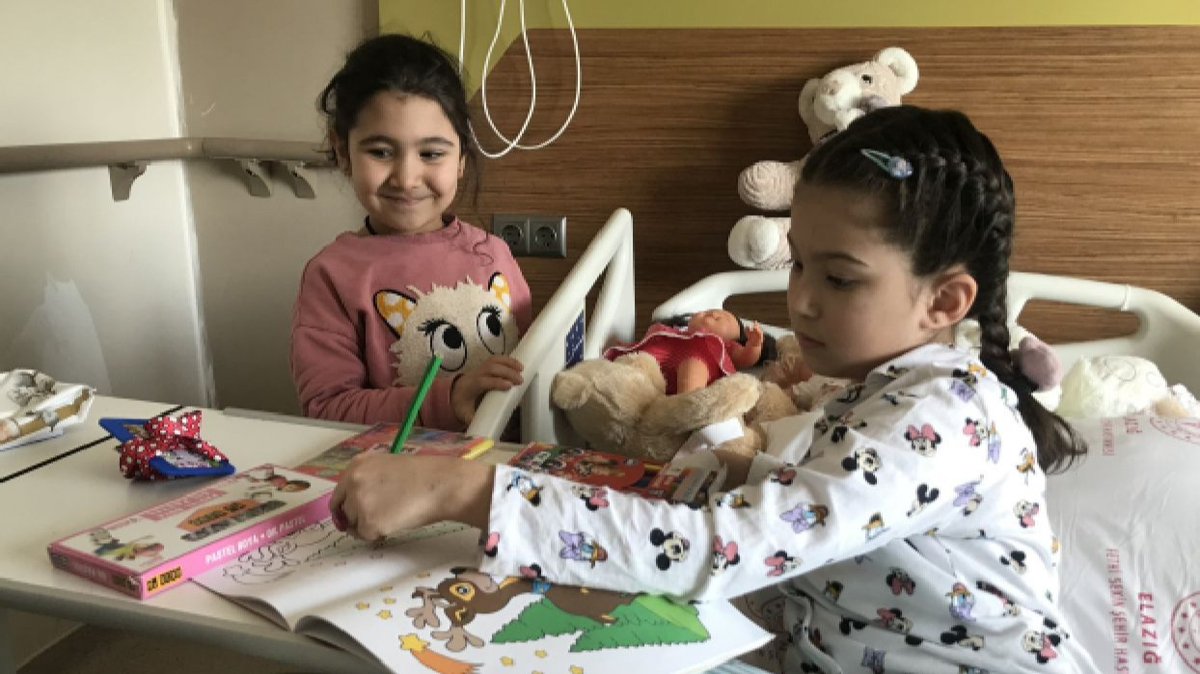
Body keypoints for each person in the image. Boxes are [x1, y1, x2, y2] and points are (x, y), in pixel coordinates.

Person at [329, 106, 1089, 673]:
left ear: (945, 301)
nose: (801, 301)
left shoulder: (943, 417)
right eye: (797, 264)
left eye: (839, 278)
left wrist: (460, 490)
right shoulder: (883, 389)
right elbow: (830, 502)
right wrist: (736, 472)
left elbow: (727, 549)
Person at [290, 34, 531, 428]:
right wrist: (449, 399)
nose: (406, 178)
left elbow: (533, 366)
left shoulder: (495, 254)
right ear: (342, 151)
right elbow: (328, 409)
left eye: (431, 154)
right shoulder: (331, 277)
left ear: (461, 157)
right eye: (381, 152)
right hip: (392, 462)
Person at [603, 309, 769, 395]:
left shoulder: (722, 347)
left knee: (694, 367)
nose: (714, 313)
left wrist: (754, 345)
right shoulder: (671, 332)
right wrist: (631, 347)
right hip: (652, 371)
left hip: (698, 363)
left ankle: (688, 405)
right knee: (636, 365)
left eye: (724, 319)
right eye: (708, 310)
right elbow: (649, 344)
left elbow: (745, 358)